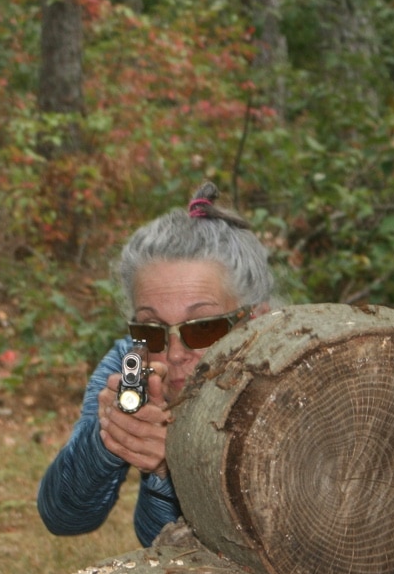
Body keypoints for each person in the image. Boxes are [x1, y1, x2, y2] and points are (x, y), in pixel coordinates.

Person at [37, 183, 278, 545]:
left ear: (256, 320)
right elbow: (64, 516)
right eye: (150, 329)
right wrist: (106, 438)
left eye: (203, 328)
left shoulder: (289, 375)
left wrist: (176, 466)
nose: (175, 352)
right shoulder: (133, 362)